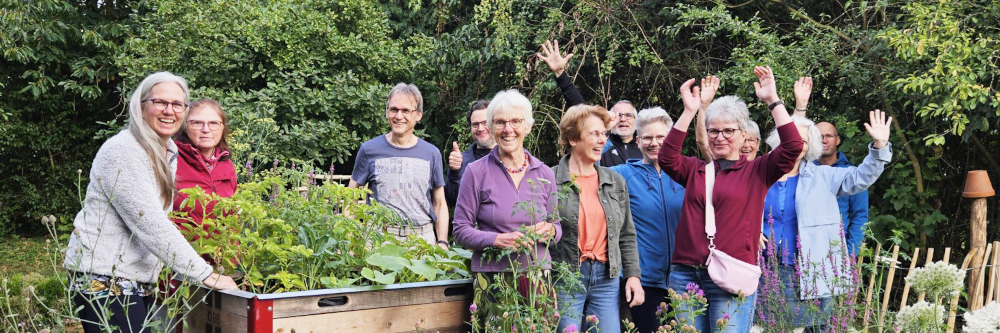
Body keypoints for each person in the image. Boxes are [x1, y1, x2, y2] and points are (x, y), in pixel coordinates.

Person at [64, 72, 238, 333]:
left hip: (135, 279)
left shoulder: (166, 151)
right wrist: (204, 274)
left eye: (177, 104)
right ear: (141, 106)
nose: (169, 111)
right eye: (160, 102)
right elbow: (149, 222)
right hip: (105, 278)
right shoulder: (123, 150)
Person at [658, 66, 803, 333]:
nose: (719, 137)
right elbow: (666, 157)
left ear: (743, 135)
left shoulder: (758, 171)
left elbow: (793, 146)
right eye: (713, 131)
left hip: (731, 275)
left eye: (728, 131)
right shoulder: (695, 170)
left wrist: (773, 100)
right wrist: (690, 111)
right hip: (687, 274)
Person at [757, 112, 892, 331]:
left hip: (806, 272)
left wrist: (880, 145)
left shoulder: (823, 175)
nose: (795, 144)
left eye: (802, 141)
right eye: (789, 138)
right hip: (762, 271)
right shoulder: (759, 173)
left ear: (810, 147)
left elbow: (860, 178)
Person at [452, 90, 560, 312]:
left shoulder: (545, 173)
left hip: (537, 274)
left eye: (516, 121)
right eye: (500, 122)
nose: (508, 129)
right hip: (493, 277)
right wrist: (497, 240)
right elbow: (460, 231)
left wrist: (550, 231)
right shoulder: (476, 172)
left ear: (528, 126)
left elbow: (557, 227)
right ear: (491, 128)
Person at [552, 104, 643, 333]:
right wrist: (544, 281)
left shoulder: (614, 181)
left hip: (606, 277)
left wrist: (633, 275)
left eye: (603, 133)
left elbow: (626, 234)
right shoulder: (549, 179)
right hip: (565, 277)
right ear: (573, 138)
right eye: (594, 134)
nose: (602, 140)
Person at [609, 107, 685, 333]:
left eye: (661, 137)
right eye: (648, 137)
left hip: (683, 278)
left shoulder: (685, 173)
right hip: (644, 280)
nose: (654, 143)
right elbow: (585, 164)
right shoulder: (622, 174)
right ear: (638, 141)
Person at [349, 83, 449, 248]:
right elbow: (350, 198)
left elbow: (439, 203)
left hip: (422, 241)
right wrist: (350, 240)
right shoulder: (369, 150)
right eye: (393, 109)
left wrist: (443, 241)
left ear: (418, 115)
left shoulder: (431, 153)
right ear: (387, 112)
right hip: (380, 239)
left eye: (406, 111)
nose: (398, 116)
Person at [791, 77, 871, 256]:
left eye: (829, 136)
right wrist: (800, 105)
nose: (824, 140)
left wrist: (850, 253)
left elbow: (860, 217)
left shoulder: (850, 174)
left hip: (837, 249)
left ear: (838, 140)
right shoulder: (803, 171)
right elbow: (790, 144)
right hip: (804, 247)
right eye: (819, 136)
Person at [535, 40, 640, 167]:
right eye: (618, 115)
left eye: (628, 115)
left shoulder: (646, 147)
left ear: (637, 120)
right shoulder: (600, 144)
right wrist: (560, 74)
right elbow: (581, 110)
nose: (623, 119)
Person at [171, 99, 237, 241]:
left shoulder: (226, 163)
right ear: (184, 126)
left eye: (213, 123)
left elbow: (232, 218)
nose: (206, 130)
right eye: (197, 123)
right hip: (180, 255)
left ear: (222, 128)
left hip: (220, 256)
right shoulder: (170, 158)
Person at [695, 76, 762, 161]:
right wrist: (704, 105)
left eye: (751, 140)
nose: (746, 145)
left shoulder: (764, 169)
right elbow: (703, 143)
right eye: (744, 140)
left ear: (758, 144)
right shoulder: (720, 165)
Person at [444, 100, 495, 209]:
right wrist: (454, 172)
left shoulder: (510, 158)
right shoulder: (461, 161)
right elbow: (452, 200)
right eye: (475, 124)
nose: (480, 128)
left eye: (485, 123)